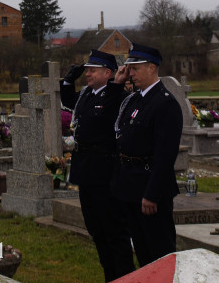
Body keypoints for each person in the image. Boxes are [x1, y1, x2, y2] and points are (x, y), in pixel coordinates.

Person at [60, 49, 134, 282]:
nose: (88, 74)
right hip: (86, 172)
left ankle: (123, 276)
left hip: (105, 172)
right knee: (97, 231)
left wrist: (116, 85)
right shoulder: (88, 95)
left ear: (108, 73)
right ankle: (109, 276)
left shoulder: (118, 97)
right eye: (87, 70)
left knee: (113, 232)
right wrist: (67, 80)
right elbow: (69, 101)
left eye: (92, 70)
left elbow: (108, 115)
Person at [111, 43, 182, 268]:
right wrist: (117, 83)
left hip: (150, 190)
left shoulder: (165, 103)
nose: (130, 73)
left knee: (159, 252)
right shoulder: (134, 99)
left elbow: (165, 155)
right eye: (130, 68)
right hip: (130, 186)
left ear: (152, 68)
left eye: (135, 68)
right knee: (142, 252)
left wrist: (152, 194)